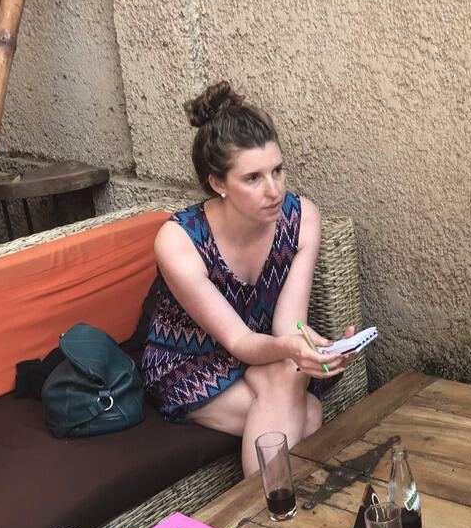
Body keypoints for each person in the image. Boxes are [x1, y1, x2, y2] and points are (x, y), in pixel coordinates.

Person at [141, 81, 354, 475]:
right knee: (305, 408)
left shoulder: (300, 220)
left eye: (277, 171)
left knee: (292, 381)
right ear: (218, 183)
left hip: (263, 352)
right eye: (253, 178)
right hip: (190, 362)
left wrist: (320, 348)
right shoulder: (181, 241)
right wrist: (292, 349)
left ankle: (272, 507)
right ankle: (272, 508)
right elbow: (239, 341)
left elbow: (288, 326)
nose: (274, 191)